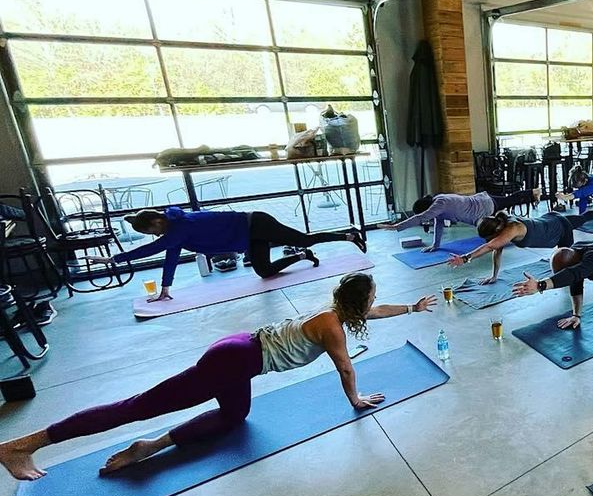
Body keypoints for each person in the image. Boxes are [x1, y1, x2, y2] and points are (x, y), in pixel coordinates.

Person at [0, 273, 436, 480]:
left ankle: (150, 446)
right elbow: (344, 366)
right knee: (135, 407)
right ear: (357, 300)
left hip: (241, 355)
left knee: (233, 418)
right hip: (234, 361)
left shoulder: (336, 311)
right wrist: (355, 400)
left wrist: (412, 309)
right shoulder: (333, 328)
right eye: (374, 296)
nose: (377, 302)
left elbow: (375, 312)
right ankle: (21, 445)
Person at [86, 207, 366, 302]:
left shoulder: (180, 226)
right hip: (248, 236)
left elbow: (155, 249)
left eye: (152, 232)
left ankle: (349, 234)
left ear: (157, 223)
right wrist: (165, 289)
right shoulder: (174, 232)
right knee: (265, 272)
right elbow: (168, 256)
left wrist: (113, 260)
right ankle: (303, 257)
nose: (155, 237)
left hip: (256, 223)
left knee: (303, 237)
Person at [446, 210, 593, 283]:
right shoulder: (501, 227)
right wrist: (494, 275)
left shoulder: (512, 228)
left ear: (495, 231)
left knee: (568, 268)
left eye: (488, 237)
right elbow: (495, 249)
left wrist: (465, 258)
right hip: (549, 220)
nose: (489, 241)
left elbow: (489, 247)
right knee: (579, 219)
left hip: (559, 229)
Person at [380, 189, 541, 252]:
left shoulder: (440, 203)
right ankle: (532, 193)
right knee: (509, 200)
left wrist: (396, 227)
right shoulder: (439, 203)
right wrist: (435, 245)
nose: (427, 219)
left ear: (427, 209)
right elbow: (439, 224)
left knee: (510, 201)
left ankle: (533, 194)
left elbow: (421, 217)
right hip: (483, 199)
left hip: (484, 207)